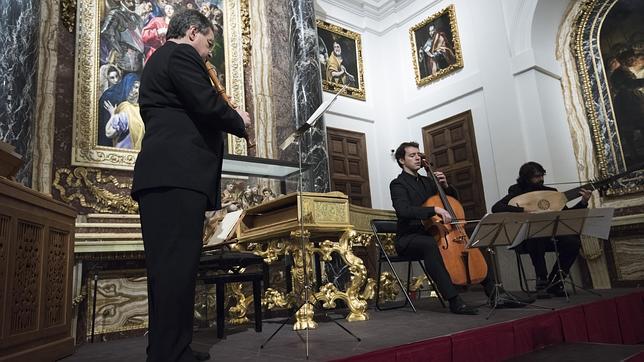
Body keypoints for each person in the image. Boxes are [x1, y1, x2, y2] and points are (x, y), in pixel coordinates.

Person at [131, 9, 251, 362]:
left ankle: (171, 349)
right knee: (174, 271)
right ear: (193, 32)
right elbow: (206, 102)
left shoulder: (160, 60)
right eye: (209, 43)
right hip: (175, 177)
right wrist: (238, 119)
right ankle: (170, 354)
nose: (209, 52)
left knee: (172, 271)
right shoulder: (180, 53)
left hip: (166, 178)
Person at [390, 142, 528, 315]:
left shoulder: (427, 181)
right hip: (410, 237)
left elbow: (451, 201)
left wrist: (445, 186)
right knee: (429, 245)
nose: (418, 158)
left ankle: (495, 294)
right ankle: (454, 300)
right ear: (402, 160)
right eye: (412, 155)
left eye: (419, 155)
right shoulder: (398, 184)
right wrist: (433, 210)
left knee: (473, 241)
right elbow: (404, 210)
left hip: (436, 231)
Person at [491, 162, 592, 298]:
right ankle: (541, 280)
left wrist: (583, 201)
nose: (541, 179)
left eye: (542, 175)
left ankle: (556, 281)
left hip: (552, 237)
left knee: (573, 242)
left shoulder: (551, 193)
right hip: (527, 240)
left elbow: (567, 215)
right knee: (536, 235)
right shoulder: (516, 191)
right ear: (526, 178)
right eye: (536, 176)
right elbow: (496, 207)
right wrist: (523, 210)